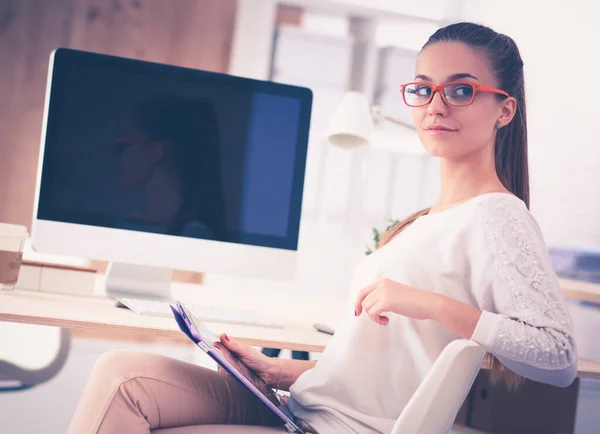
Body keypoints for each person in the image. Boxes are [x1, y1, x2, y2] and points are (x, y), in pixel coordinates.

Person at [68, 22, 577, 434]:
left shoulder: (497, 215)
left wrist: (430, 304)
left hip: (334, 427)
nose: (435, 105)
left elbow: (558, 358)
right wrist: (276, 371)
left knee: (122, 387)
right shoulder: (426, 220)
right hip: (301, 405)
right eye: (423, 89)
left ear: (504, 109)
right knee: (122, 373)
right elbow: (373, 373)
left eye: (461, 90)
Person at [113, 94, 225, 240]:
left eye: (123, 145)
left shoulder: (195, 235)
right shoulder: (130, 223)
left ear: (156, 152)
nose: (117, 156)